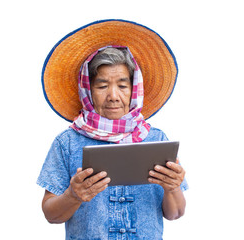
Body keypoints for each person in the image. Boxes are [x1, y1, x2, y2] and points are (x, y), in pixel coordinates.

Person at [37, 20, 188, 240]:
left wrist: (172, 188)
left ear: (134, 89)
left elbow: (175, 213)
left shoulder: (155, 139)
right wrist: (73, 195)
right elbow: (51, 214)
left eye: (123, 85)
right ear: (87, 90)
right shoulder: (67, 142)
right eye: (102, 86)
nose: (113, 96)